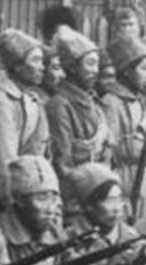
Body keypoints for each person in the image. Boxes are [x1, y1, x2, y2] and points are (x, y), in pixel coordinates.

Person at [0, 28, 51, 215]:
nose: (42, 67)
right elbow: (2, 167)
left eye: (42, 61)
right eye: (35, 60)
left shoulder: (34, 101)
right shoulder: (1, 105)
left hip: (33, 200)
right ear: (17, 66)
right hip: (11, 205)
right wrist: (15, 210)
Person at [101, 32, 146, 223]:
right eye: (144, 68)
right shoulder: (112, 102)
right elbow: (109, 150)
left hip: (145, 182)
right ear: (126, 71)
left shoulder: (140, 101)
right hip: (124, 181)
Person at [46, 26, 112, 173]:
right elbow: (63, 162)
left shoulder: (93, 102)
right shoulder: (59, 105)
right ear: (72, 67)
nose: (95, 70)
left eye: (97, 64)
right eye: (90, 63)